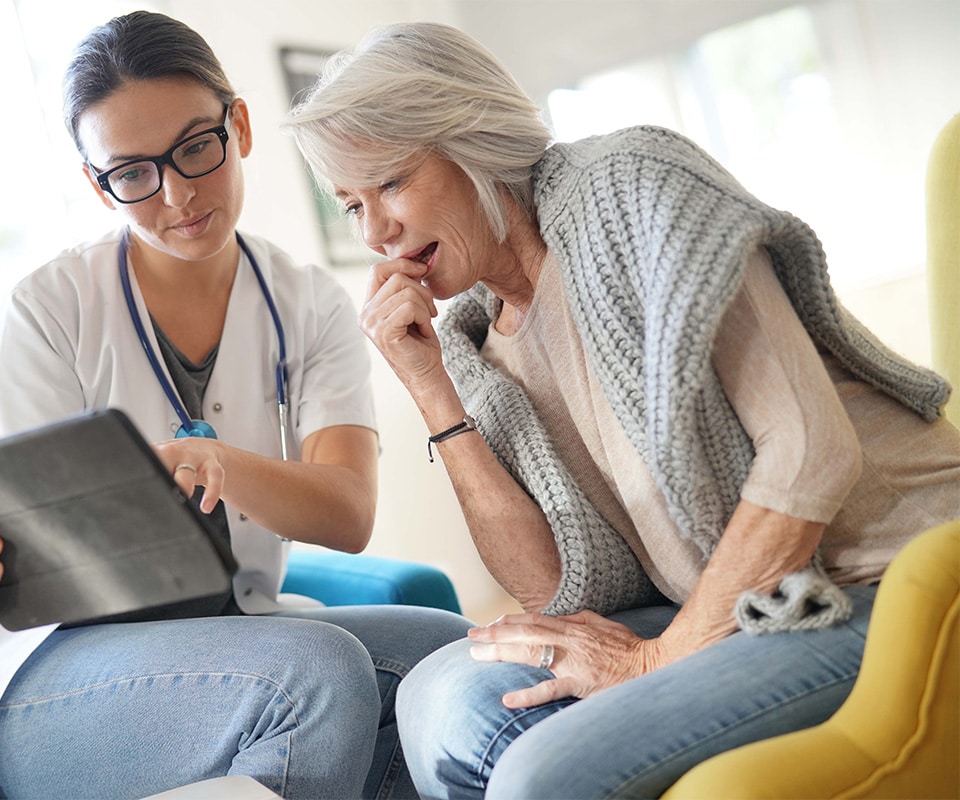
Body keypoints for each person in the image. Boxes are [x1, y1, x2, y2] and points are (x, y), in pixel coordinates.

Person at [286, 21, 960, 800]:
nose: (375, 231)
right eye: (349, 206)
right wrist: (430, 387)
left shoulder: (633, 187)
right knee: (439, 698)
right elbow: (553, 592)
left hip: (894, 580)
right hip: (740, 603)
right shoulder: (477, 337)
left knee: (540, 777)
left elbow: (812, 450)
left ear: (469, 139)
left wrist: (653, 660)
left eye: (392, 182)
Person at [0, 12, 471, 799]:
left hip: (228, 638)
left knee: (463, 661)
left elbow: (347, 514)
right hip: (35, 677)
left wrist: (219, 464)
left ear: (237, 124)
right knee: (314, 680)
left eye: (194, 148)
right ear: (96, 184)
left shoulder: (307, 302)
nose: (176, 194)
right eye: (131, 173)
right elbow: (5, 538)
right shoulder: (50, 307)